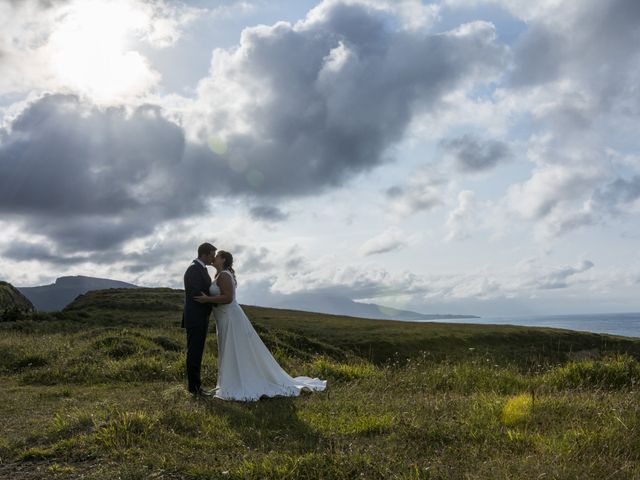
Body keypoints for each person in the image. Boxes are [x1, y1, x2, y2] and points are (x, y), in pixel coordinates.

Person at [194, 250, 326, 401]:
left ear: (223, 260)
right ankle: (231, 382)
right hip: (224, 318)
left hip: (230, 317)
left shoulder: (224, 275)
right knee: (230, 348)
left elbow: (228, 298)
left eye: (216, 257)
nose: (214, 258)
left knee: (234, 348)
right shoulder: (219, 275)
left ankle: (239, 383)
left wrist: (207, 300)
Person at [182, 242, 216, 396]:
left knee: (197, 352)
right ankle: (194, 389)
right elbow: (195, 293)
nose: (213, 258)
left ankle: (196, 387)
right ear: (205, 254)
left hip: (200, 318)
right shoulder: (193, 269)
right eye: (212, 255)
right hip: (196, 318)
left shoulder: (200, 269)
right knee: (194, 353)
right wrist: (212, 299)